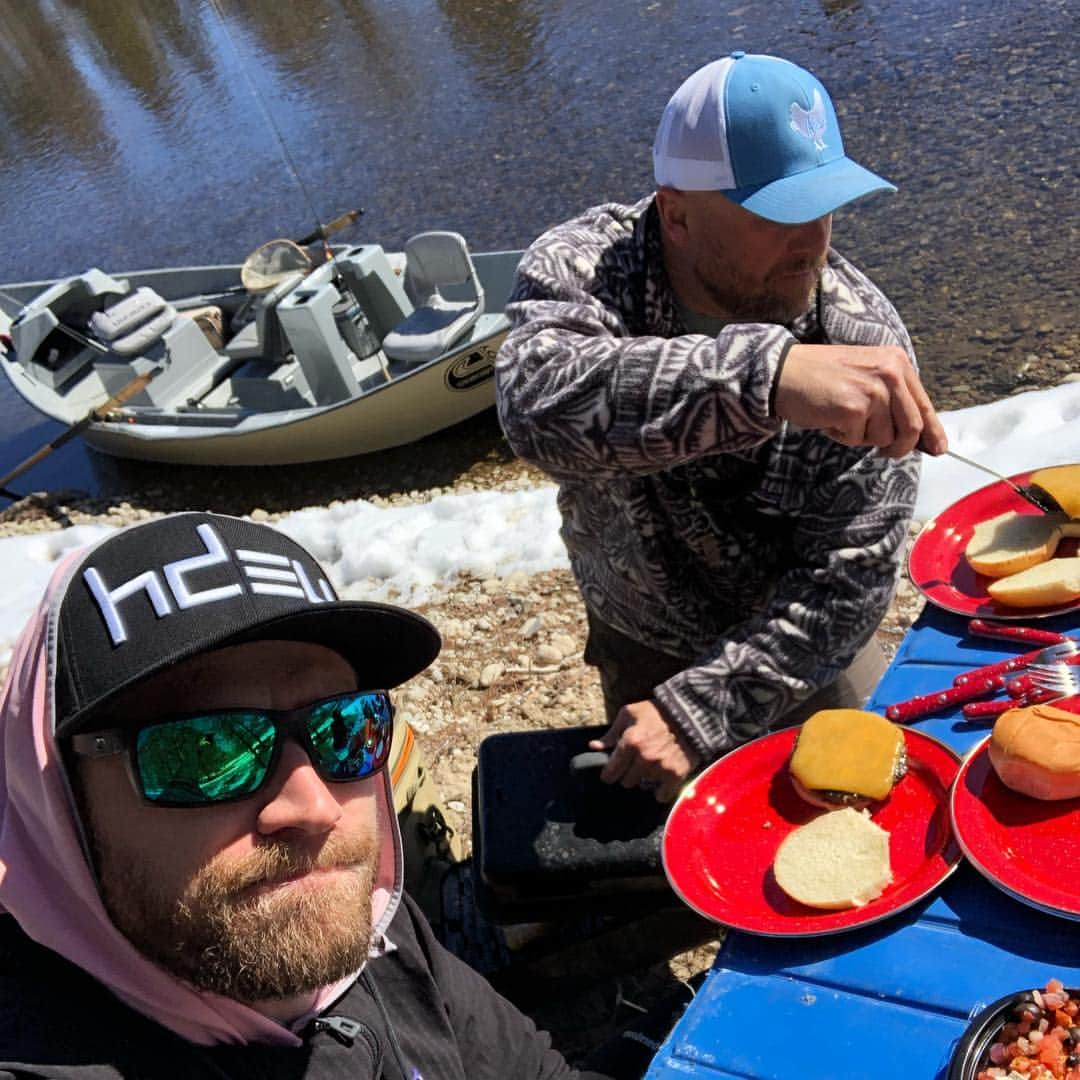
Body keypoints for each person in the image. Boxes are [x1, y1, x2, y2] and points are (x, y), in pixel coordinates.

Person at [0, 510, 612, 1078]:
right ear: (57, 804)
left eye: (344, 728)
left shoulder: (376, 927)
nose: (315, 808)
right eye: (207, 749)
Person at [495, 52, 949, 803]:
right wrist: (768, 379)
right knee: (659, 834)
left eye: (825, 203)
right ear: (676, 213)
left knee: (850, 825)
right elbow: (531, 406)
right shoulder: (588, 267)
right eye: (779, 213)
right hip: (639, 633)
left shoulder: (862, 337)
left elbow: (849, 577)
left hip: (800, 652)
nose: (814, 240)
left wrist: (699, 712)